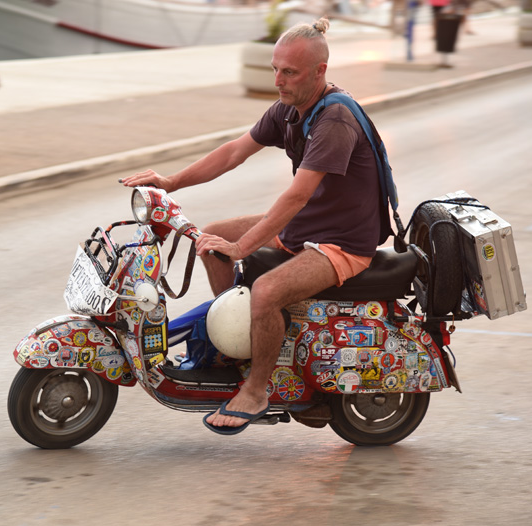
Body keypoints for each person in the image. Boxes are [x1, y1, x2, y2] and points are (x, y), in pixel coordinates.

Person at [120, 18, 383, 434]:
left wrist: (243, 248)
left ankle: (257, 389)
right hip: (309, 224)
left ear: (320, 72)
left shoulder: (334, 120)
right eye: (275, 69)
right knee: (214, 234)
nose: (278, 80)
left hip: (341, 241)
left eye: (289, 72)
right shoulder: (292, 108)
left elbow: (296, 196)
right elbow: (233, 152)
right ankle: (241, 340)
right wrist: (170, 182)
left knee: (265, 292)